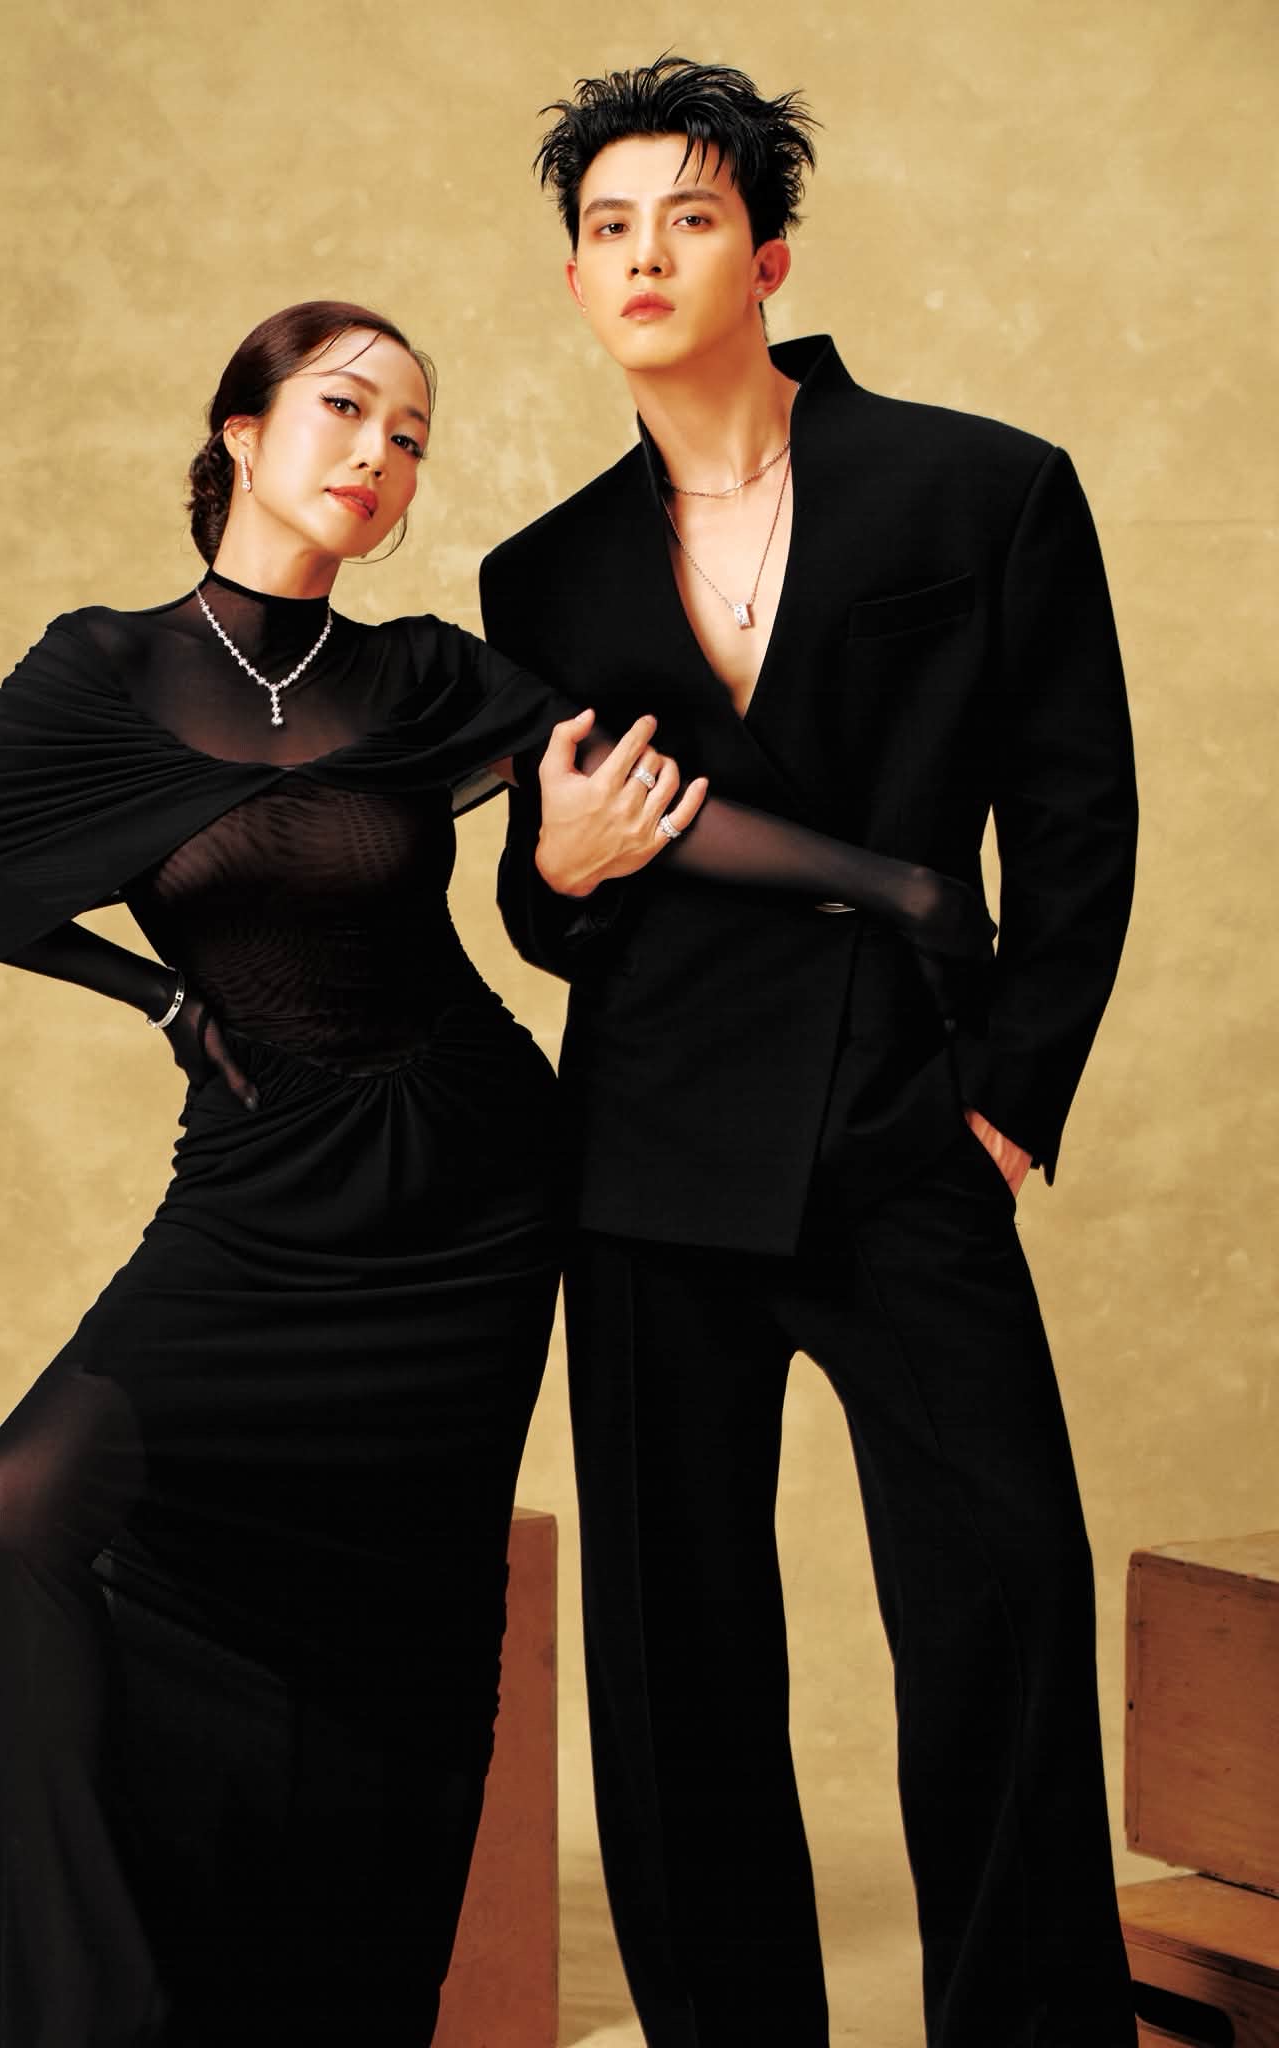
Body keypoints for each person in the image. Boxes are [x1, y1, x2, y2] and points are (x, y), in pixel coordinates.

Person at [0, 298, 992, 2048]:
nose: (378, 455)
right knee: (33, 1497)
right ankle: (105, 2013)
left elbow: (641, 801)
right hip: (265, 1184)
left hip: (474, 1192)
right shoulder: (104, 669)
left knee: (406, 1630)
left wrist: (896, 885)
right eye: (343, 408)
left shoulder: (423, 676)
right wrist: (155, 991)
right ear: (241, 430)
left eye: (410, 438)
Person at [483, 59, 1139, 2048]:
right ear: (576, 280)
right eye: (607, 229)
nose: (644, 256)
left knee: (1001, 1594)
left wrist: (1007, 1094)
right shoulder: (544, 576)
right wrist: (557, 874)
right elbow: (547, 908)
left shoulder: (983, 486)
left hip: (904, 1119)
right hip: (651, 1147)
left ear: (764, 255)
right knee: (675, 1644)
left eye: (687, 217)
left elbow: (1078, 815)